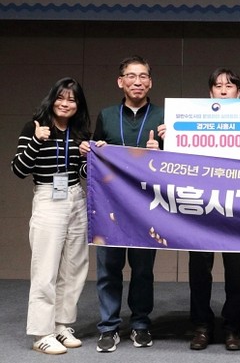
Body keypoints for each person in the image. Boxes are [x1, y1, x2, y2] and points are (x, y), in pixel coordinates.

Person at [80, 55, 164, 353]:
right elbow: (92, 164)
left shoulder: (164, 118)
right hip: (110, 205)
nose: (137, 82)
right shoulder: (106, 115)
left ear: (150, 82)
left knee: (142, 270)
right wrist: (91, 150)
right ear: (120, 81)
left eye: (143, 76)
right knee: (109, 268)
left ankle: (140, 324)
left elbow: (179, 167)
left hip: (146, 207)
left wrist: (162, 150)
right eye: (131, 76)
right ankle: (109, 327)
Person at [11, 77, 91, 355]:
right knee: (45, 268)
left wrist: (90, 156)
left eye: (72, 99)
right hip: (48, 197)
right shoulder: (35, 127)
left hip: (76, 196)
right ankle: (41, 333)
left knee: (74, 266)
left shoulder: (80, 132)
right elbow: (19, 169)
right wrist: (36, 141)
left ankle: (61, 325)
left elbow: (83, 173)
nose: (65, 103)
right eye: (61, 97)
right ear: (52, 99)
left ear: (78, 105)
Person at [188, 68, 240, 351]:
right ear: (210, 93)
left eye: (229, 86)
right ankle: (202, 326)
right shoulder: (191, 123)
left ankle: (233, 328)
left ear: (239, 92)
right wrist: (167, 139)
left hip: (235, 208)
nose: (224, 90)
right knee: (199, 270)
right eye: (218, 86)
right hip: (200, 207)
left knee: (236, 273)